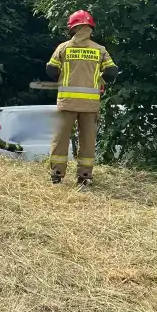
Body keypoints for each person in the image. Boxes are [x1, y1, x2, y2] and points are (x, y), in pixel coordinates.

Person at [46, 10, 118, 187]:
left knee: (60, 139)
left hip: (66, 103)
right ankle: (84, 176)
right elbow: (111, 71)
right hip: (90, 105)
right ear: (90, 28)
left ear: (73, 28)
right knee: (87, 141)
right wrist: (100, 81)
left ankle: (57, 175)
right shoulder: (99, 50)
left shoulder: (63, 48)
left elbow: (51, 69)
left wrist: (63, 78)